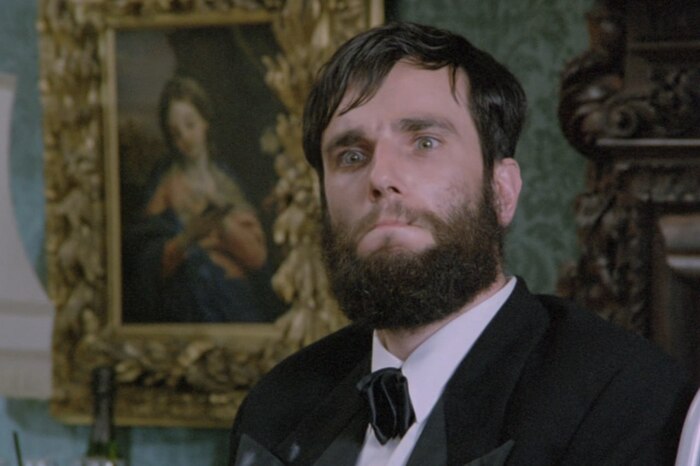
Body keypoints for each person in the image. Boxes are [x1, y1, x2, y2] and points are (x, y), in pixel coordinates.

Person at [228, 22, 695, 465]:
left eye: (424, 142)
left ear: (502, 191)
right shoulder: (275, 406)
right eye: (351, 155)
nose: (381, 176)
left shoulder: (624, 397)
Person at [122, 76, 282, 323]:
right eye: (175, 133)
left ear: (205, 121)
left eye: (190, 125)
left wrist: (223, 225)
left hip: (238, 300)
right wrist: (188, 237)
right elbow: (146, 260)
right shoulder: (167, 186)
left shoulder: (227, 181)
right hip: (193, 302)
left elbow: (258, 259)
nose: (185, 138)